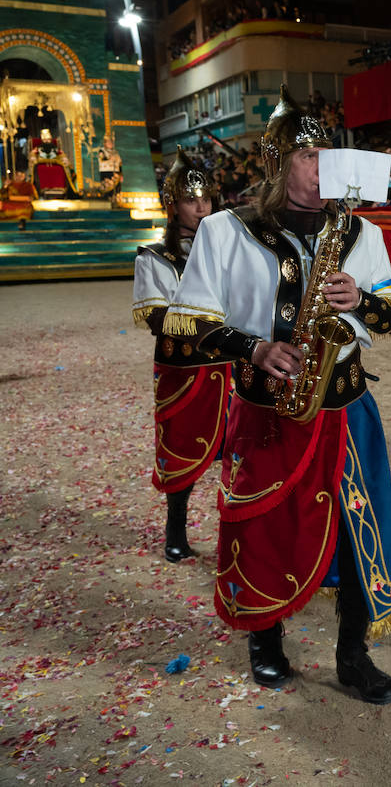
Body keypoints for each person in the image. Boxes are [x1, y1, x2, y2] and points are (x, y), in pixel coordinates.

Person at [165, 87, 391, 704]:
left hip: (347, 407)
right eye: (309, 153)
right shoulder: (223, 230)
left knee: (360, 531)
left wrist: (367, 301)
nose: (324, 164)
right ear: (276, 162)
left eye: (329, 151)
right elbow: (184, 320)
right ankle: (264, 641)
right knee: (264, 526)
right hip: (267, 410)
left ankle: (353, 655)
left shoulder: (362, 233)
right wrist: (253, 349)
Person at [133, 148, 232, 562]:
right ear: (173, 206)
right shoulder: (154, 257)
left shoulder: (229, 252)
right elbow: (158, 316)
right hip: (185, 371)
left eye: (206, 199)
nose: (201, 207)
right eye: (192, 200)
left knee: (240, 455)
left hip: (231, 368)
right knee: (181, 452)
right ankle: (176, 526)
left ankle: (238, 535)